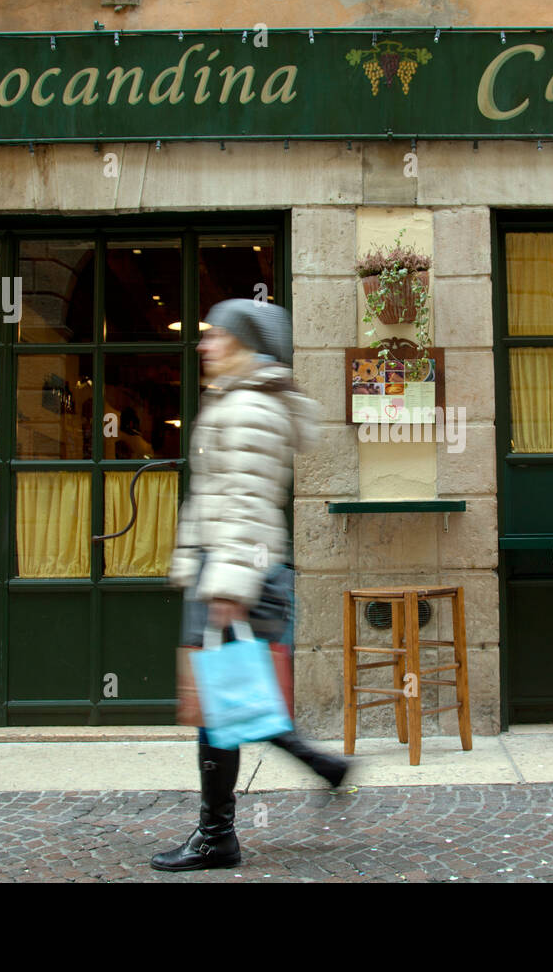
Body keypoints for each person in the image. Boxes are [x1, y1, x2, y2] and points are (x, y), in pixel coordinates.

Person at [151, 298, 351, 873]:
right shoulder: (240, 401)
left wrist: (227, 585)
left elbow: (242, 500)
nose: (203, 343)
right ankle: (318, 767)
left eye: (215, 335)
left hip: (237, 571)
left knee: (220, 706)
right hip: (232, 568)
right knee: (229, 700)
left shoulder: (246, 408)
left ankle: (217, 837)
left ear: (243, 343)